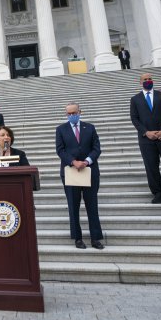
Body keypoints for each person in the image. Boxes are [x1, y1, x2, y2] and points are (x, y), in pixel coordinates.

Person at [55, 102, 104, 250]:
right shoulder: (61, 129)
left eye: (74, 113)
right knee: (73, 206)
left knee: (92, 206)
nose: (72, 116)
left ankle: (95, 238)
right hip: (71, 172)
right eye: (69, 114)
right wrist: (72, 161)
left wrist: (87, 161)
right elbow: (60, 150)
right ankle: (77, 238)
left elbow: (97, 148)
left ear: (79, 112)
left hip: (89, 171)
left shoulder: (89, 127)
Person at [129, 72, 161, 204]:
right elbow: (134, 118)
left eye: (150, 79)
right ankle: (158, 194)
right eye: (145, 79)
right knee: (151, 167)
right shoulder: (135, 99)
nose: (148, 81)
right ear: (140, 82)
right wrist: (146, 132)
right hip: (146, 140)